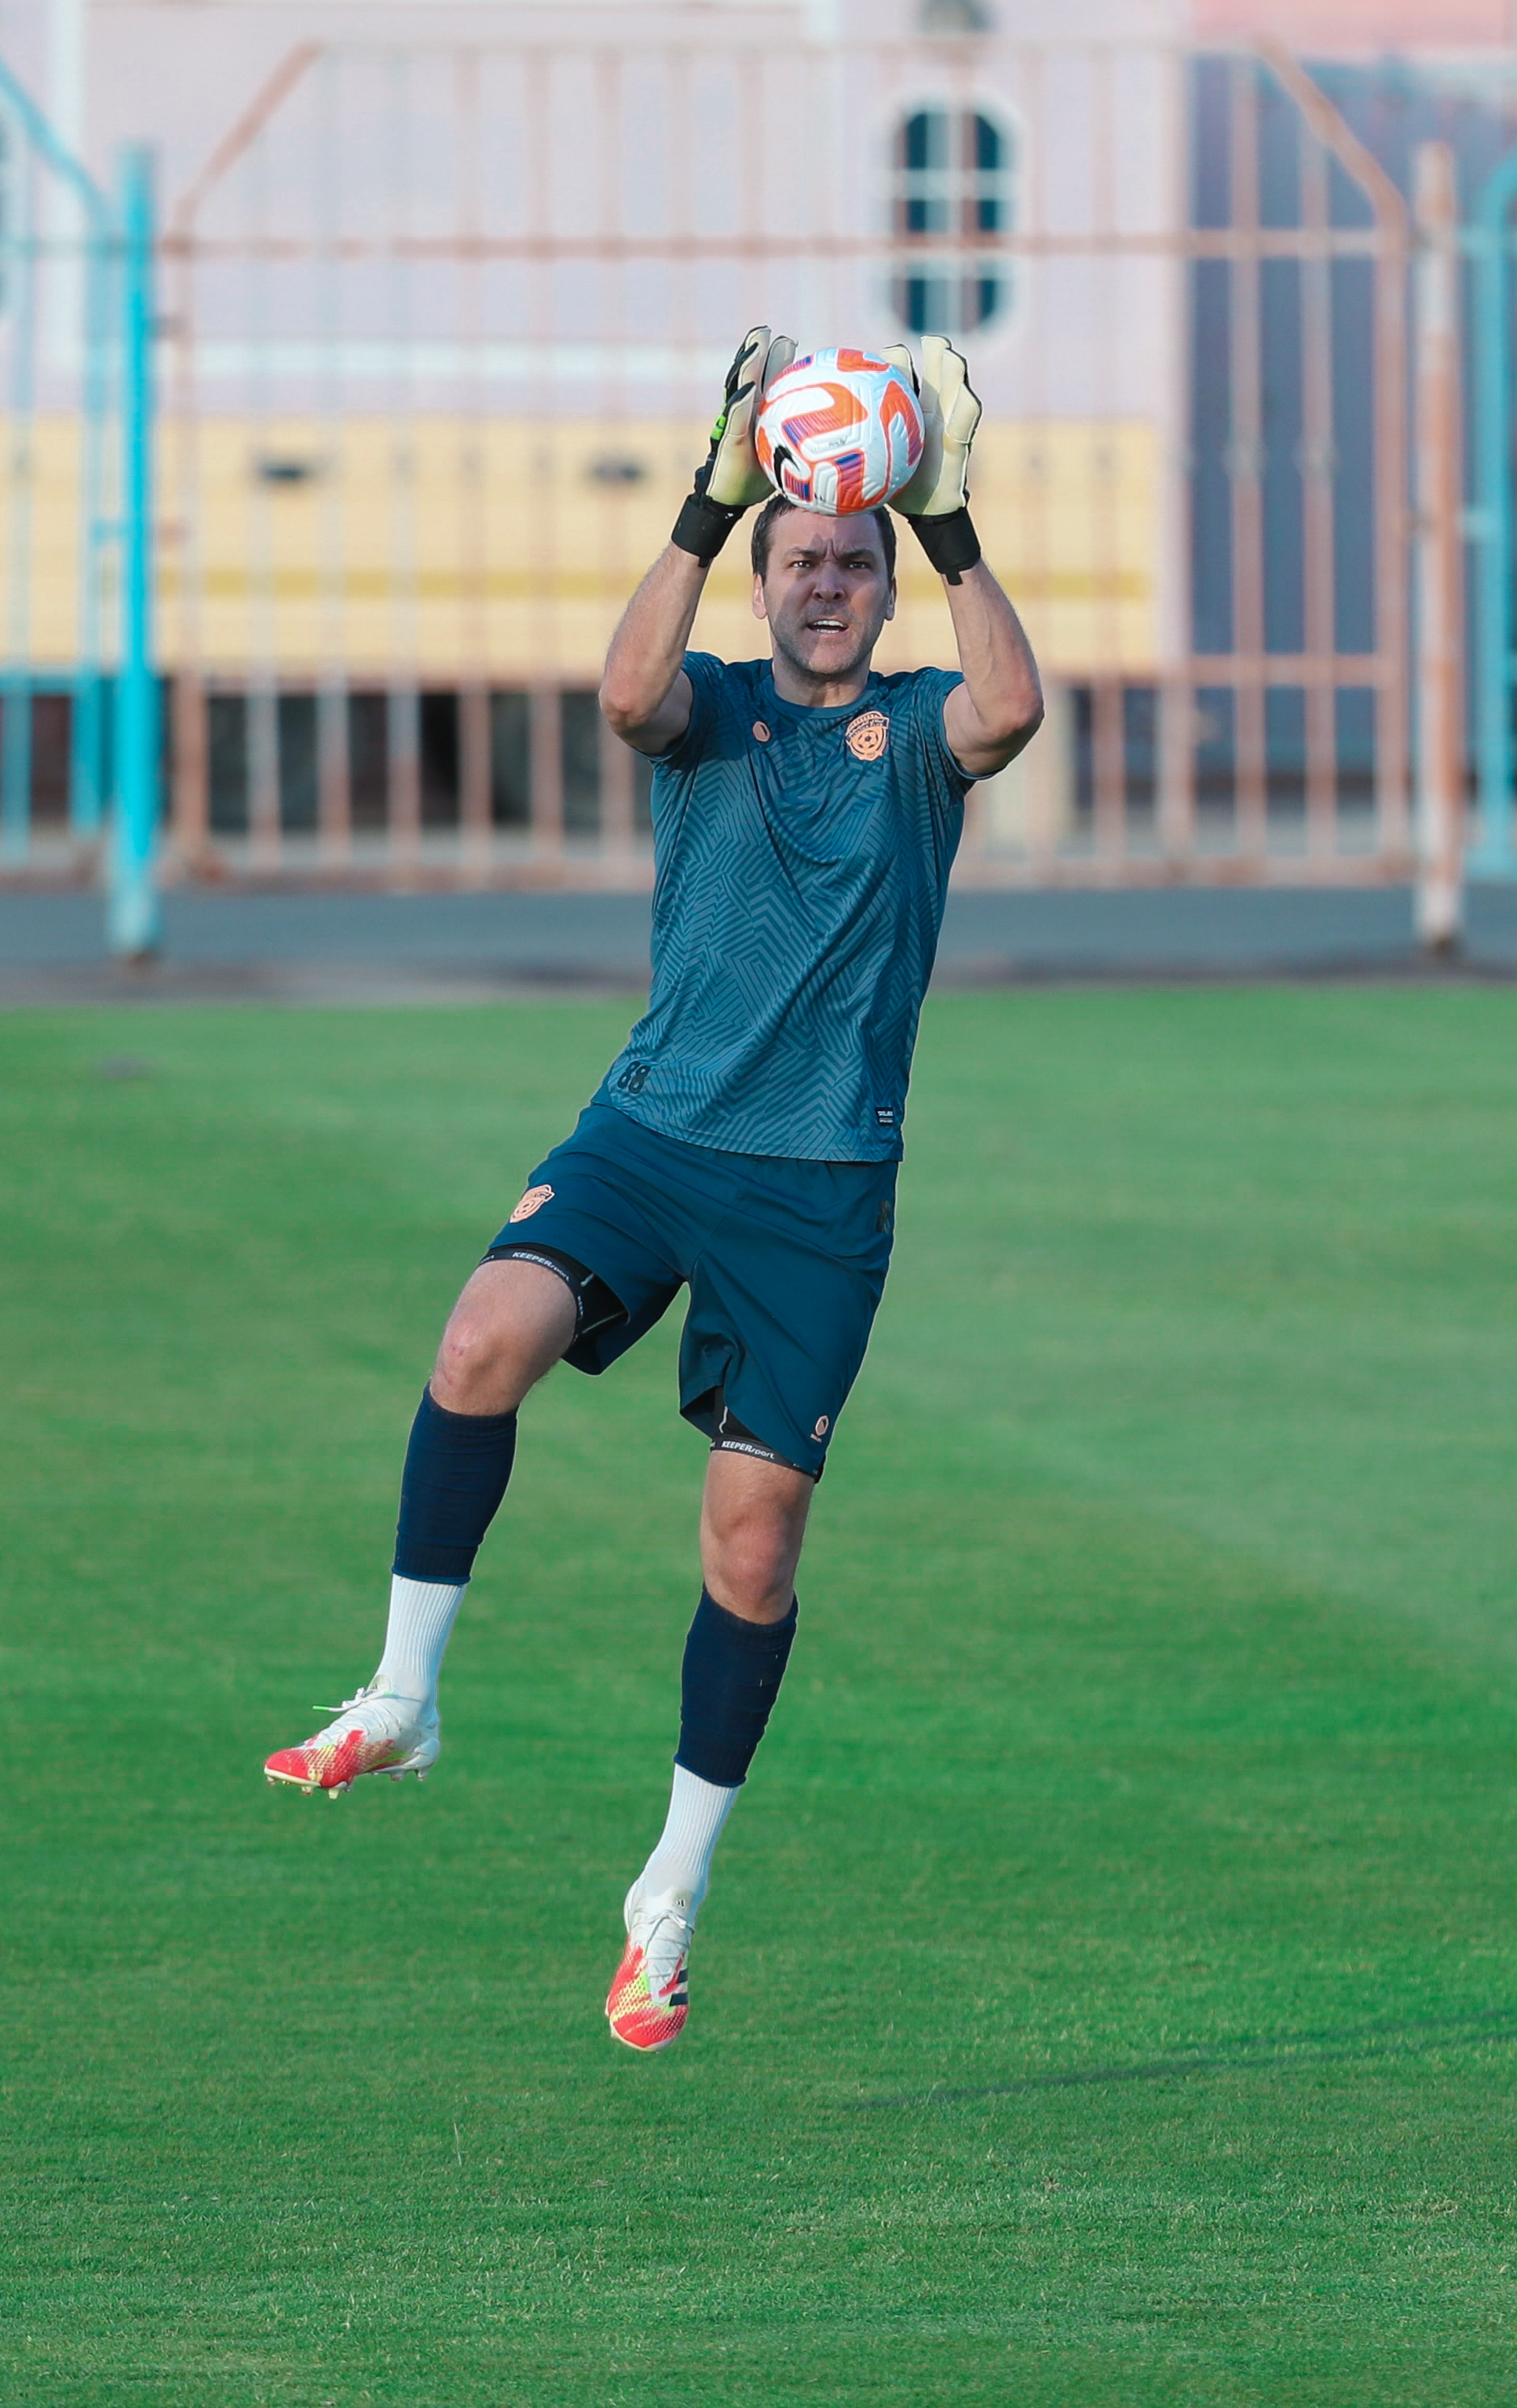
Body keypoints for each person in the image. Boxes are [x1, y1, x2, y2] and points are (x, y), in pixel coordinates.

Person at [265, 328, 1044, 2051]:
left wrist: (957, 520)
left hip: (819, 1190)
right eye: (800, 559)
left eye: (853, 560)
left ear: (884, 583)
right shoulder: (718, 705)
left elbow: (1014, 707)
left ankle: (667, 1896)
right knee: (482, 1340)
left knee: (750, 1542)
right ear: (761, 579)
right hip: (652, 1134)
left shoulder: (921, 727)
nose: (827, 585)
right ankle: (405, 1695)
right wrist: (705, 498)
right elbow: (623, 693)